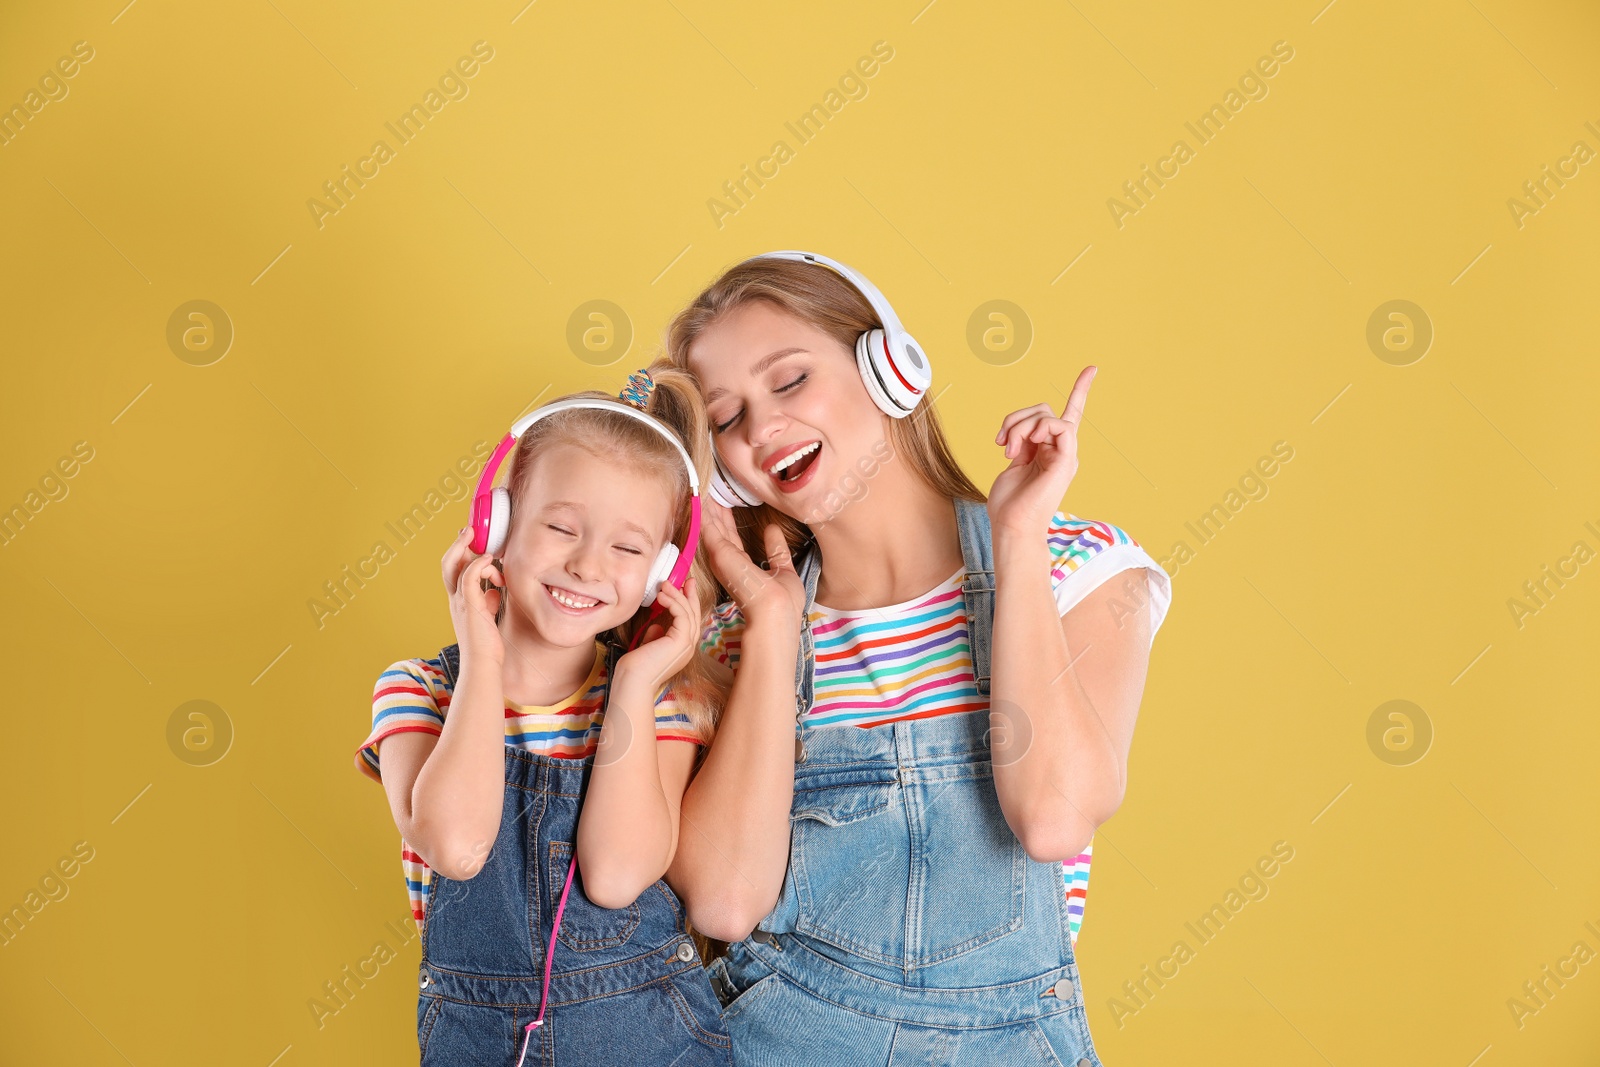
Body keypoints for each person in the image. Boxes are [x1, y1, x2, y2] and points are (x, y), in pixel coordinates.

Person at [661, 252, 1173, 1065]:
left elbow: (1052, 815)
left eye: (790, 380)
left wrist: (1018, 538)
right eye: (727, 417)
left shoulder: (1080, 570)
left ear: (890, 369)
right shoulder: (739, 638)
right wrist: (769, 626)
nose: (761, 430)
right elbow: (724, 903)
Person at [353, 364, 734, 1066]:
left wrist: (632, 683)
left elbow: (617, 875)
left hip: (651, 1037)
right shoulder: (419, 689)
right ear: (495, 524)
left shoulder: (662, 702)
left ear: (662, 574)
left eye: (627, 548)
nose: (589, 565)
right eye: (561, 526)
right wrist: (482, 652)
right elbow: (458, 846)